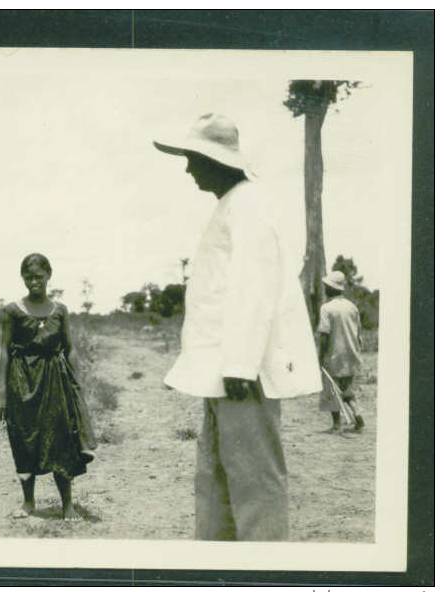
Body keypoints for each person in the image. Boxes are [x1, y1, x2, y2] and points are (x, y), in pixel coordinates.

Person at [153, 113, 321, 541]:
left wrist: (241, 367)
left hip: (242, 374)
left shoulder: (248, 206)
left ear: (216, 160)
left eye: (193, 158)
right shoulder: (232, 206)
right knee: (216, 477)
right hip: (222, 372)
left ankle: (263, 576)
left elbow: (254, 288)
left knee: (254, 483)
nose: (188, 169)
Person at [0, 253, 96, 520]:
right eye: (29, 277)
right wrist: (1, 393)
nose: (34, 281)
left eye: (39, 276)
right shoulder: (12, 312)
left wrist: (77, 383)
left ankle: (67, 504)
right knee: (23, 438)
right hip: (21, 380)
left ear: (49, 276)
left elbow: (70, 349)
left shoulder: (60, 311)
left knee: (61, 437)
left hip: (54, 380)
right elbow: (4, 351)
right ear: (22, 278)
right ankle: (28, 503)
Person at [317, 270, 365, 433]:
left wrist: (320, 356)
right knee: (347, 390)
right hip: (352, 354)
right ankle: (357, 415)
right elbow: (359, 333)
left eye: (326, 286)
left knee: (332, 390)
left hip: (334, 355)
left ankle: (337, 424)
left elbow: (324, 334)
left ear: (331, 288)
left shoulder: (326, 308)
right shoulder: (352, 307)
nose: (324, 288)